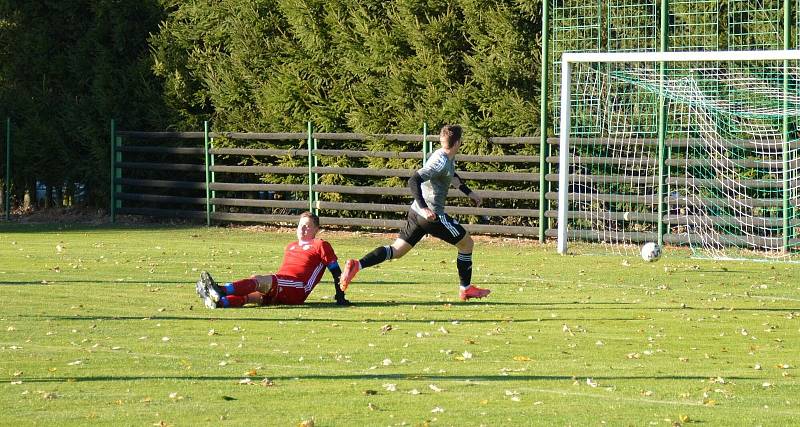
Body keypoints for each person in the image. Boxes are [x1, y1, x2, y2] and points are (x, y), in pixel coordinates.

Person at [340, 124, 491, 301]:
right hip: (432, 216)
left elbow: (452, 175)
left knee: (397, 250)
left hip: (416, 213)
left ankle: (357, 265)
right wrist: (426, 208)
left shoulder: (444, 156)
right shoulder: (440, 161)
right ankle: (465, 289)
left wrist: (469, 193)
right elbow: (414, 180)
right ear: (458, 142)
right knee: (466, 244)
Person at [195, 211, 350, 308]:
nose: (302, 229)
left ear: (316, 230)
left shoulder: (320, 244)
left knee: (258, 280)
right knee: (251, 296)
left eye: (307, 226)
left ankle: (219, 290)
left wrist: (340, 296)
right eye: (300, 225)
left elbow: (336, 271)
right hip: (283, 284)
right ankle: (219, 302)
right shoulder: (291, 246)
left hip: (298, 288)